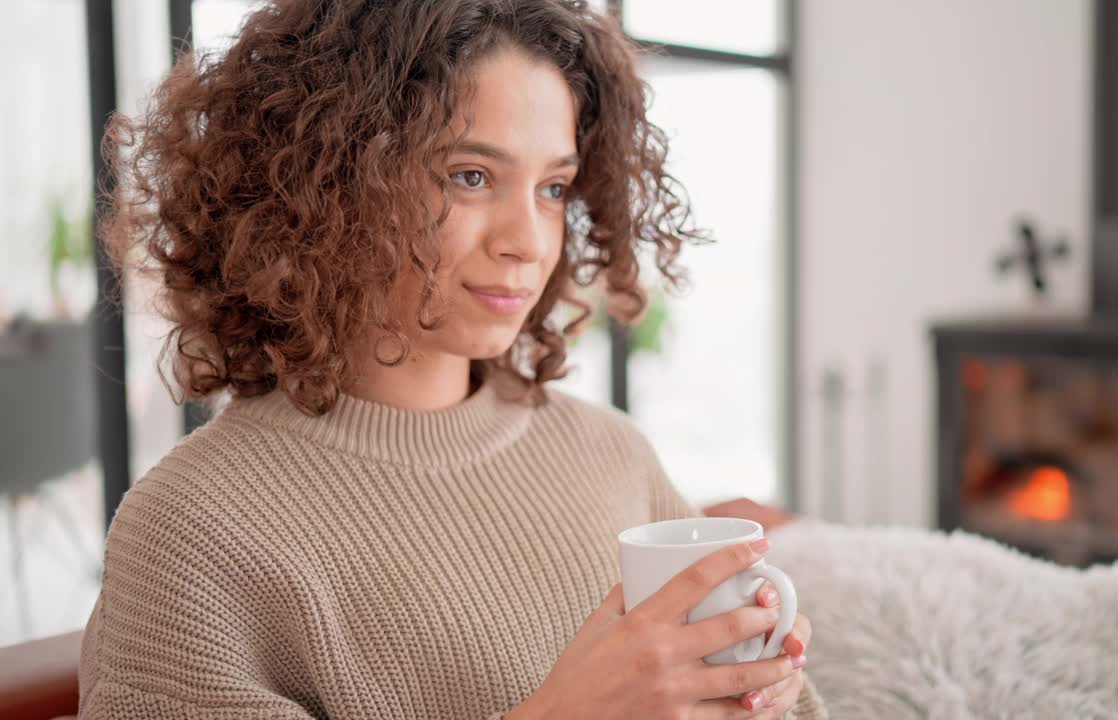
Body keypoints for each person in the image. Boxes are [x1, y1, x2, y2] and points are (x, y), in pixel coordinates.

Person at [78, 1, 826, 718]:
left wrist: (763, 695)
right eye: (470, 176)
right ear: (328, 182)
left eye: (553, 188)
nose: (528, 241)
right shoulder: (193, 529)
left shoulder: (610, 454)